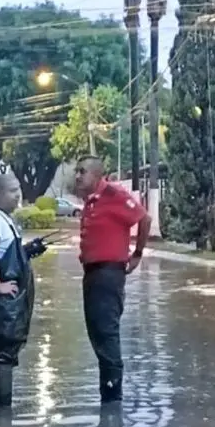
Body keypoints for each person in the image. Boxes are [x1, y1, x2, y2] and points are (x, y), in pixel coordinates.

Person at [74, 156, 151, 403]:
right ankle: (108, 397)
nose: (77, 176)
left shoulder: (113, 194)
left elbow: (144, 218)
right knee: (97, 331)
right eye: (77, 171)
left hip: (109, 274)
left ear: (97, 175)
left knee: (106, 333)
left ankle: (112, 399)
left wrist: (137, 253)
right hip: (93, 274)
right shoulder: (90, 201)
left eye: (82, 171)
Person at [0, 174, 49, 407]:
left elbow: (1, 257)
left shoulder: (1, 220)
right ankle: (0, 419)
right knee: (1, 359)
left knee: (0, 358)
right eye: (11, 191)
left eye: (18, 190)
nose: (18, 195)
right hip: (1, 308)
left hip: (4, 308)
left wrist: (25, 252)